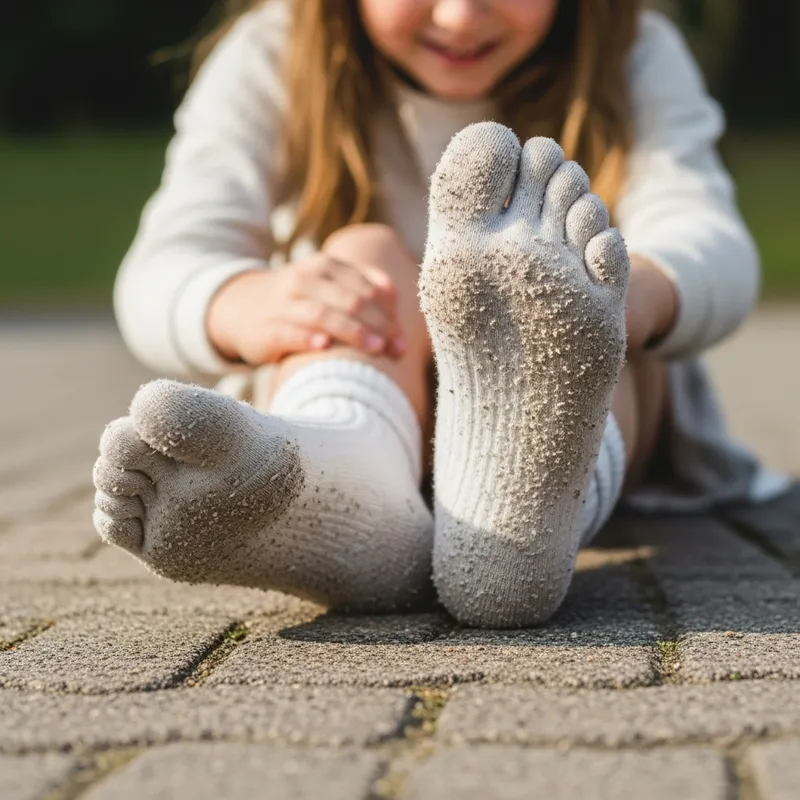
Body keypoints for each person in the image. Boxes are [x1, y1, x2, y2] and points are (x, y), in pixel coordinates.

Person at [92, 0, 789, 628]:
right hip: (356, 371)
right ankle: (353, 507)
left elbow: (707, 238)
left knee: (601, 328)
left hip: (590, 418)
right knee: (361, 253)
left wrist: (619, 298)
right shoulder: (271, 49)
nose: (458, 17)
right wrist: (252, 304)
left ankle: (509, 531)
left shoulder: (634, 46)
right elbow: (166, 261)